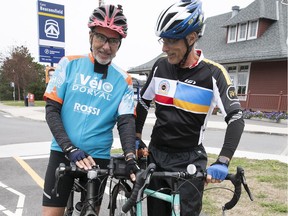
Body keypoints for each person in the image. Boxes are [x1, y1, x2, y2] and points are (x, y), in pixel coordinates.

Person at [135, 0, 245, 215]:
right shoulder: (160, 66)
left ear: (191, 38)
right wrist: (137, 136)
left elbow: (236, 117)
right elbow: (142, 102)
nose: (164, 48)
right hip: (156, 156)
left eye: (170, 41)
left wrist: (223, 160)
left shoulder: (213, 73)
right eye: (162, 40)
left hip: (189, 161)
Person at [42, 4, 139, 216]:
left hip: (98, 157)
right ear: (90, 37)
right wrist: (69, 148)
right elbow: (51, 111)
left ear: (119, 44)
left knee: (91, 213)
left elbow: (126, 122)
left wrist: (130, 156)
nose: (106, 46)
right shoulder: (68, 64)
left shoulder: (124, 80)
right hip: (63, 151)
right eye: (101, 38)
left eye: (113, 41)